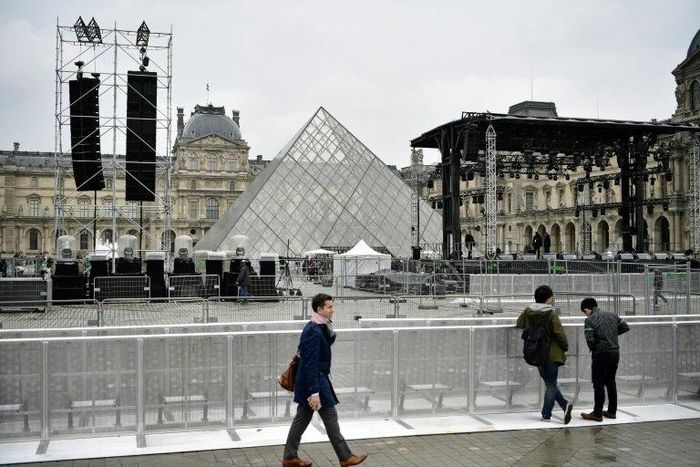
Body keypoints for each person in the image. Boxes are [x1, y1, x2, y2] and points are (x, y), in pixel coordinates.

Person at [282, 293, 368, 467]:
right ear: (319, 309)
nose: (332, 310)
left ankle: (290, 457)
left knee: (302, 419)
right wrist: (314, 392)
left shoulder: (320, 327)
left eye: (332, 306)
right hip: (314, 381)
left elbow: (325, 345)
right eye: (329, 307)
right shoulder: (312, 331)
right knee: (330, 417)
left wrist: (329, 328)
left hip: (312, 380)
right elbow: (310, 364)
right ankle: (345, 457)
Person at [516, 285, 573, 424]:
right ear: (548, 299)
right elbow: (559, 333)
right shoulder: (551, 314)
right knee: (551, 385)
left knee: (549, 384)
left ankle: (565, 405)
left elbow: (519, 324)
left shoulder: (528, 311)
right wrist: (565, 347)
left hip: (536, 352)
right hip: (552, 354)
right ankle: (547, 414)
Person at [580, 297, 630, 422]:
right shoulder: (612, 315)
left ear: (587, 309)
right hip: (615, 352)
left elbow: (590, 340)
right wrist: (610, 335)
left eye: (584, 312)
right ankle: (612, 412)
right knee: (611, 382)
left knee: (598, 383)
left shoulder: (589, 320)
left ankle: (597, 413)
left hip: (601, 353)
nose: (585, 314)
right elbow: (625, 327)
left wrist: (596, 346)